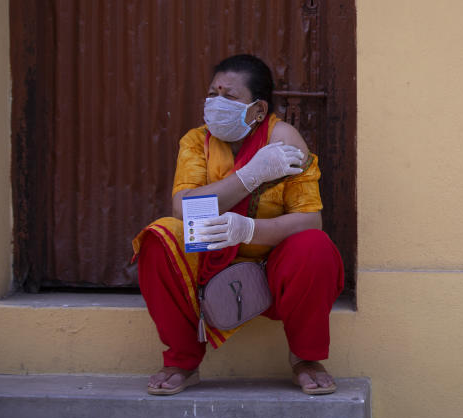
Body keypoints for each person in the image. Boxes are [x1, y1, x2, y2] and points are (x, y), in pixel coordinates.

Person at [132, 54, 344, 396]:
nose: (216, 104)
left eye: (229, 97)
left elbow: (311, 221)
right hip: (210, 254)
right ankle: (181, 362)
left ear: (258, 110)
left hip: (272, 267)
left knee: (314, 247)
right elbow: (185, 213)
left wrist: (247, 230)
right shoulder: (196, 141)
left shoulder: (284, 141)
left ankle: (306, 359)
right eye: (212, 94)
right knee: (160, 236)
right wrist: (249, 176)